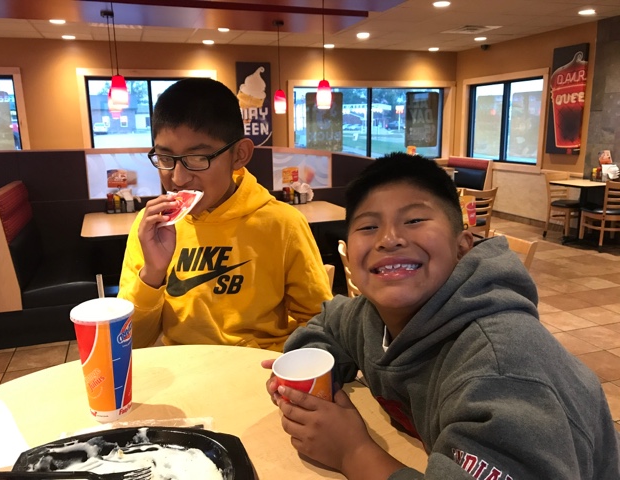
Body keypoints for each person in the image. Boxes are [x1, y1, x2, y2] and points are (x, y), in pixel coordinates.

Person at [264, 153, 620, 479]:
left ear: (462, 246)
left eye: (414, 220)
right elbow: (327, 325)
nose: (389, 239)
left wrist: (352, 452)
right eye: (369, 226)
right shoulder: (370, 316)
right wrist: (311, 380)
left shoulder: (503, 367)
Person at [118, 77, 332, 351]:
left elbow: (319, 323)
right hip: (185, 369)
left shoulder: (283, 224)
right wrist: (153, 273)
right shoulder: (151, 228)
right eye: (165, 158)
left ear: (239, 155)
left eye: (198, 158)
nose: (178, 178)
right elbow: (132, 342)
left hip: (260, 368)